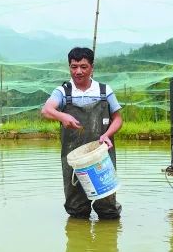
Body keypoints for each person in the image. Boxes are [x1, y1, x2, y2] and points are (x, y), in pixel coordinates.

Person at [41, 47, 123, 219]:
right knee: (76, 209)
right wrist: (61, 115)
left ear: (92, 67)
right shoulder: (63, 91)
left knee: (108, 207)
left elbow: (118, 119)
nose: (78, 71)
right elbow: (47, 110)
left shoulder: (104, 91)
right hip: (74, 157)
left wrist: (107, 134)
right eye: (74, 66)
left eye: (83, 67)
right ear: (69, 67)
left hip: (101, 154)